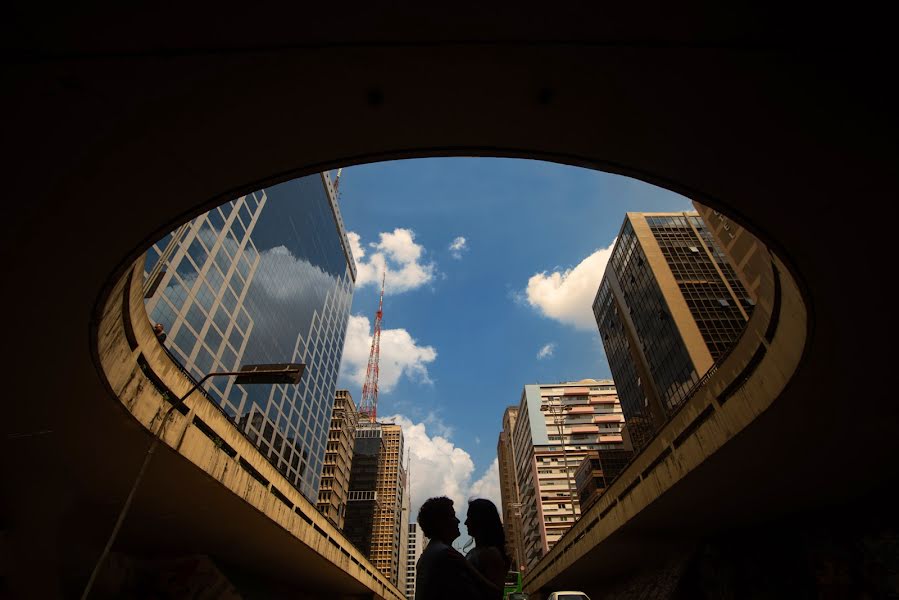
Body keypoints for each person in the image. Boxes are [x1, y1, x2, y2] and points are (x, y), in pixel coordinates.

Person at [415, 497, 481, 600]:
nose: (459, 521)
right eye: (452, 516)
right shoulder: (445, 555)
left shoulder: (433, 552)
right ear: (441, 523)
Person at [464, 499, 511, 600]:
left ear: (479, 520)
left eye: (469, 517)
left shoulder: (491, 553)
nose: (465, 522)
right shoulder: (476, 552)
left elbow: (497, 592)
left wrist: (468, 569)